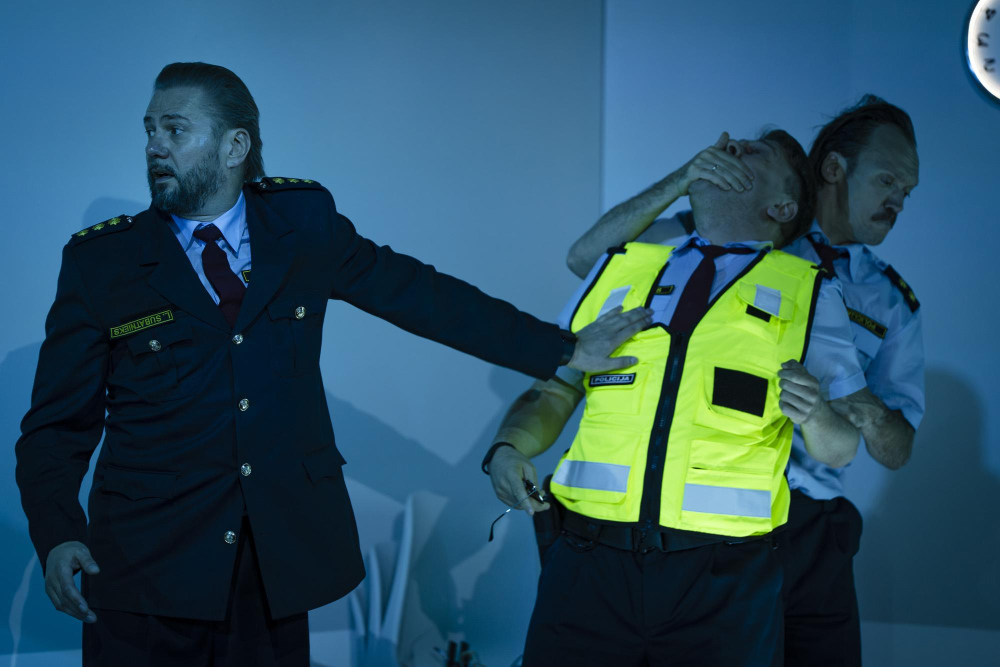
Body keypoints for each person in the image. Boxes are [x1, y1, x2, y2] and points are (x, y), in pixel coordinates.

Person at [13, 62, 651, 667]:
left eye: (175, 130)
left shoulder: (300, 223)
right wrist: (58, 532)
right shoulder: (102, 262)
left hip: (271, 567)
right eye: (150, 130)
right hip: (146, 570)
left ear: (235, 146)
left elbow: (423, 297)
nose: (156, 145)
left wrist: (563, 349)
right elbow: (55, 426)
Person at [484, 129, 866, 666]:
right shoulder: (621, 269)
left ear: (782, 206)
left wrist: (818, 415)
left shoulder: (811, 292)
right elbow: (555, 387)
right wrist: (506, 449)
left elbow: (842, 449)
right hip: (587, 565)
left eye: (753, 151)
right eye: (729, 146)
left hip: (724, 585)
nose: (729, 148)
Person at [565, 96, 924, 665]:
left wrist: (852, 402)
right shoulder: (724, 233)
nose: (898, 201)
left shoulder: (891, 301)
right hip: (707, 519)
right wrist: (684, 180)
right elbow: (588, 260)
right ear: (835, 169)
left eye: (907, 191)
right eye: (888, 180)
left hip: (811, 521)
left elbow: (896, 448)